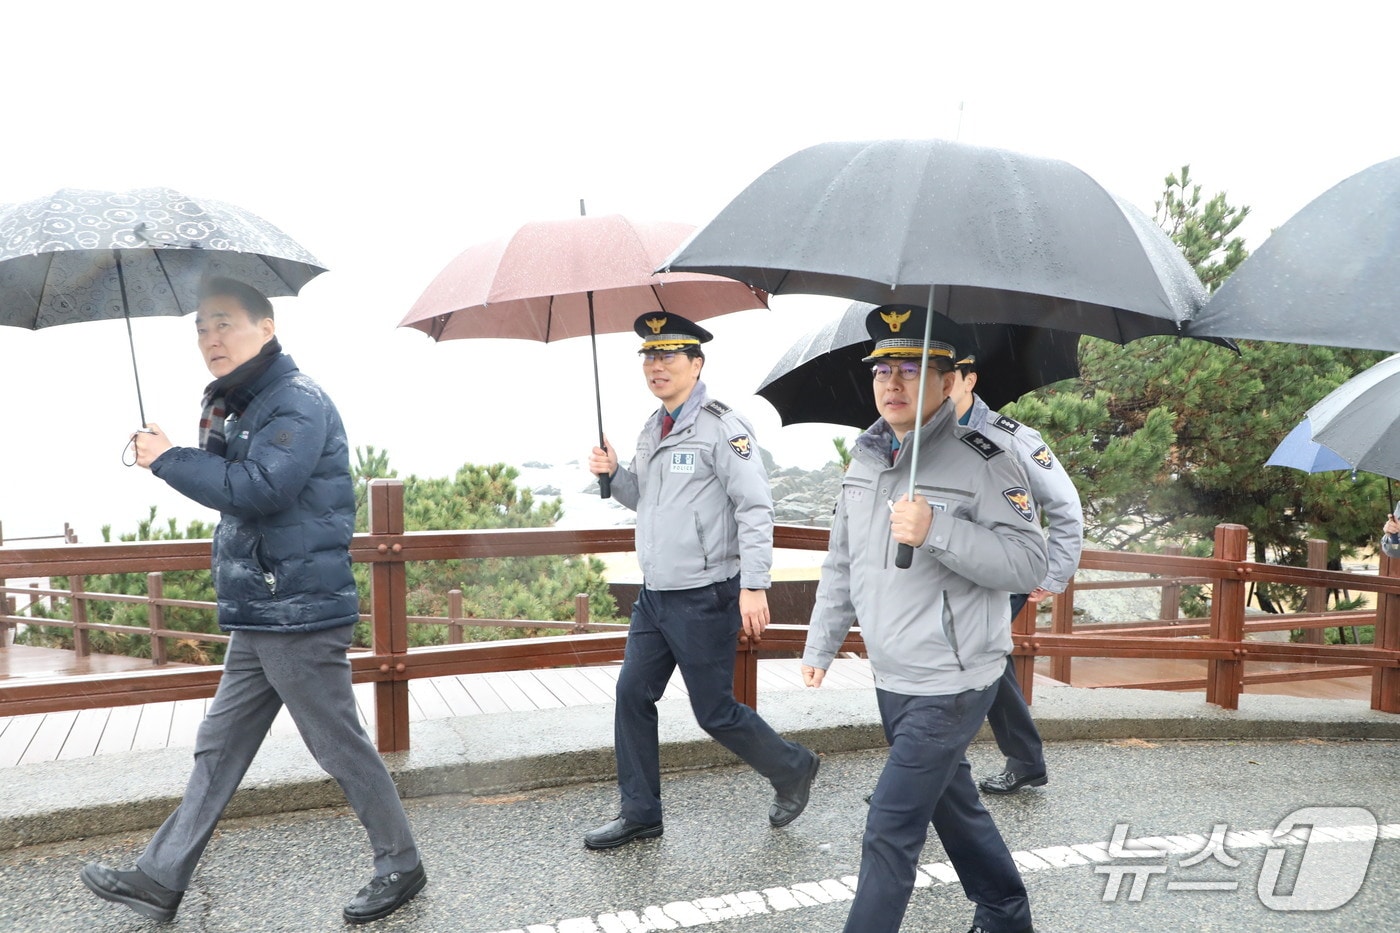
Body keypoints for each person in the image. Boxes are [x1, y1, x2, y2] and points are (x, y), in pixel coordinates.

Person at [80, 278, 425, 925]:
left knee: (338, 744)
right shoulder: (241, 402)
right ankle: (160, 876)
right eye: (202, 327)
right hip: (262, 607)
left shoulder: (294, 400)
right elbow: (226, 482)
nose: (211, 337)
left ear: (266, 327)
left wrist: (168, 459)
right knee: (220, 744)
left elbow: (261, 486)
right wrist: (181, 446)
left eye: (225, 324)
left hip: (297, 610)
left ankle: (401, 862)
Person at [802, 305, 1045, 933]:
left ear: (948, 380)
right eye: (883, 368)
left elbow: (1027, 562)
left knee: (890, 823)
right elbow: (842, 561)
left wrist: (938, 529)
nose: (892, 382)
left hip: (955, 677)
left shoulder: (988, 459)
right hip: (892, 671)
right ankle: (1005, 910)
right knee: (951, 803)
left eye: (912, 367)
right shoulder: (867, 456)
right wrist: (820, 644)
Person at [583, 312, 820, 850]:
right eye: (649, 355)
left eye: (668, 355)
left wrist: (755, 586)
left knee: (713, 711)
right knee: (631, 696)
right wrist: (613, 475)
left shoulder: (722, 426)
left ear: (697, 363)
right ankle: (640, 812)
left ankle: (792, 766)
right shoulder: (652, 426)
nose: (656, 365)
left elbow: (755, 506)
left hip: (706, 593)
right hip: (656, 595)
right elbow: (647, 499)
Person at [947, 350, 1084, 796]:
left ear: (969, 379)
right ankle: (1023, 759)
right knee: (983, 660)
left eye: (947, 375)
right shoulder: (924, 437)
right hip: (948, 570)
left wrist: (1054, 574)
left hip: (1002, 571)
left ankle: (928, 771)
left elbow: (1065, 507)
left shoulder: (1014, 438)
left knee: (959, 658)